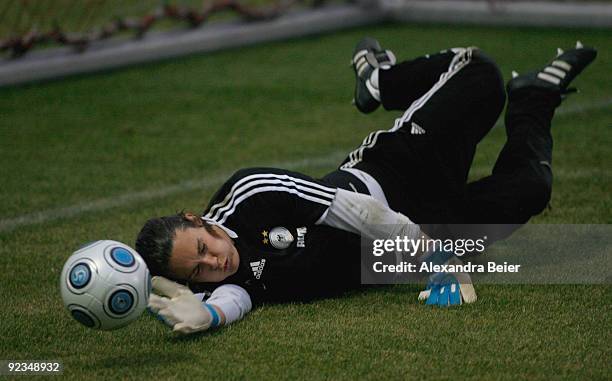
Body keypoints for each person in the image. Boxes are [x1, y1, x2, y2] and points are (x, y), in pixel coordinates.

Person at [137, 37, 596, 335]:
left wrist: (429, 252)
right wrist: (208, 316)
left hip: (396, 173)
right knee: (533, 187)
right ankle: (535, 98)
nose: (214, 262)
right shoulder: (213, 284)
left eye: (202, 248)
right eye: (199, 270)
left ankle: (379, 80)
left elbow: (352, 209)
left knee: (481, 74)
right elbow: (236, 295)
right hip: (405, 246)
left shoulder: (250, 193)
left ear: (196, 220)